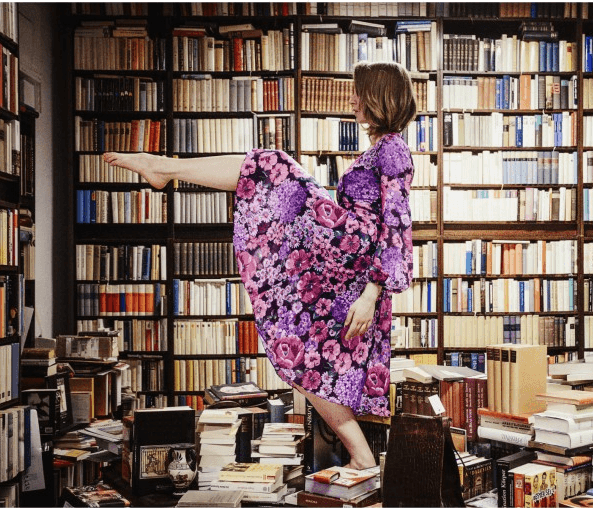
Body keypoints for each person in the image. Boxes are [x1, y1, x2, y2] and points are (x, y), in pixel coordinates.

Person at [104, 61, 416, 470]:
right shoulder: (381, 148)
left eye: (358, 91)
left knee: (271, 164)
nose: (352, 99)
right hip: (349, 254)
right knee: (308, 359)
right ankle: (361, 457)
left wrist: (373, 293)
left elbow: (397, 223)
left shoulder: (392, 147)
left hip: (354, 253)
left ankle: (166, 167)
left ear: (378, 95)